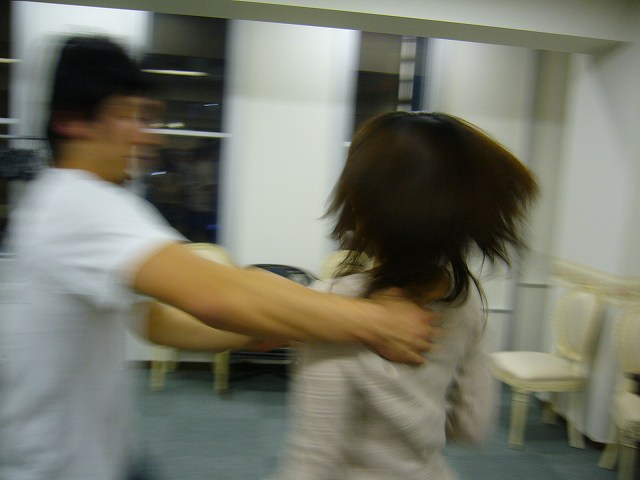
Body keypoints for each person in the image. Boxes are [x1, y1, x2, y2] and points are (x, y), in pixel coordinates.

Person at [0, 36, 434, 480]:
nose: (148, 135)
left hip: (105, 456)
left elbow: (155, 321)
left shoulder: (66, 201)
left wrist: (256, 332)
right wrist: (376, 321)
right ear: (72, 121)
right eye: (127, 115)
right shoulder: (80, 202)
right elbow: (219, 294)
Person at [267, 111, 538, 480]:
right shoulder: (467, 302)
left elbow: (314, 459)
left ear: (361, 203)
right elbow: (471, 426)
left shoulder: (333, 303)